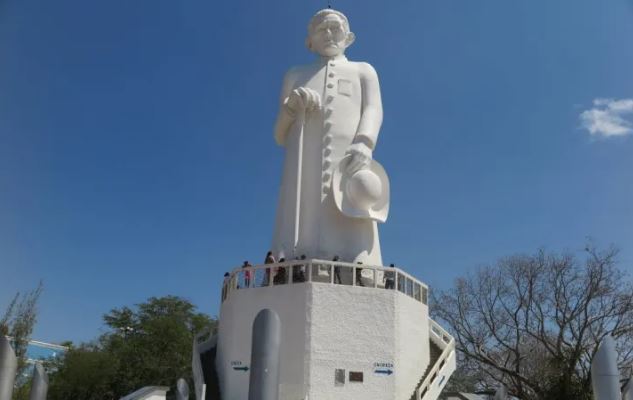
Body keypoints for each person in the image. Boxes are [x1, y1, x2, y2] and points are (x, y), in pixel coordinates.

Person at [271, 9, 385, 265]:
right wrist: (291, 110)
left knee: (355, 205)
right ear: (309, 41)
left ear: (350, 37)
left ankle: (361, 265)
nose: (330, 34)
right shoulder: (295, 75)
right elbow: (279, 134)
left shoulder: (363, 70)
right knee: (301, 216)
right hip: (301, 166)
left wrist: (364, 142)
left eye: (336, 29)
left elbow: (374, 109)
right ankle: (291, 263)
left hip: (350, 158)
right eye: (322, 29)